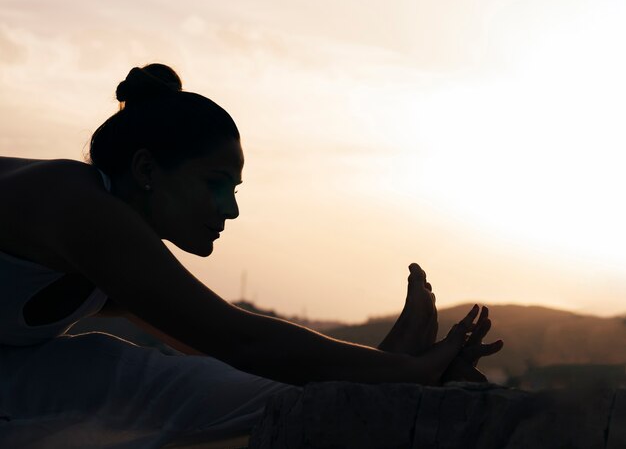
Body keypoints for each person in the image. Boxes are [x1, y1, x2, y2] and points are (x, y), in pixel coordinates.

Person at [0, 64, 502, 448]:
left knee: (172, 379)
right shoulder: (76, 206)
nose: (231, 209)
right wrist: (417, 373)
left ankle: (381, 372)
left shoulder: (106, 240)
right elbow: (240, 339)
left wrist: (381, 366)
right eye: (215, 184)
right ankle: (392, 373)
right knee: (136, 386)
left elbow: (209, 344)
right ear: (148, 168)